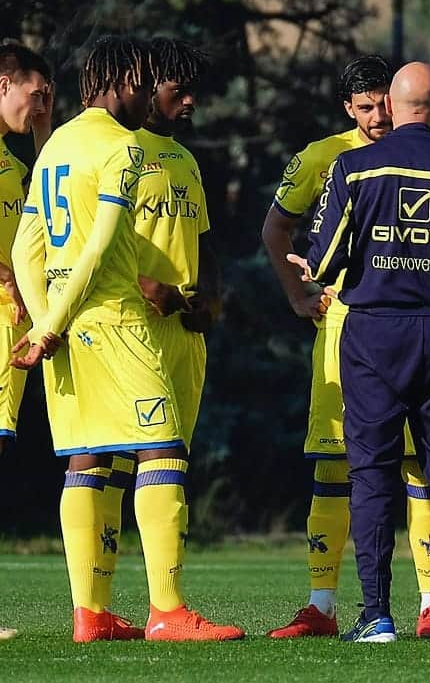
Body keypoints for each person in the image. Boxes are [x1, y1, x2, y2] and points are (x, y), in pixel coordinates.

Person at [10, 35, 242, 643]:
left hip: (74, 332)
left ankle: (91, 614)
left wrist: (43, 322)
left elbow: (24, 251)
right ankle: (167, 611)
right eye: (142, 83)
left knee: (87, 460)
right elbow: (97, 249)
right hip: (118, 323)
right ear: (115, 83)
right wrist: (50, 324)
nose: (147, 96)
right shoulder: (122, 149)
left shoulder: (56, 143)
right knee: (161, 451)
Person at [288, 61, 430, 643]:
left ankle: (377, 614)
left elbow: (327, 256)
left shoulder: (353, 169)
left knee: (371, 472)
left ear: (390, 105)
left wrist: (314, 263)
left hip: (371, 336)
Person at [262, 56, 430, 638]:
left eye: (383, 105)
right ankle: (322, 605)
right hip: (342, 331)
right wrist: (298, 295)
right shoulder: (323, 158)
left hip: (407, 328)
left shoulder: (416, 155)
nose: (376, 117)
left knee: (418, 465)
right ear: (348, 108)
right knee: (334, 466)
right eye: (364, 108)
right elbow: (276, 228)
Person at [94, 37, 221, 610]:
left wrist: (211, 299)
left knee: (168, 465)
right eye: (178, 89)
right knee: (121, 462)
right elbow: (100, 237)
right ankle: (102, 602)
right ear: (148, 89)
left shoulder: (186, 160)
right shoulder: (123, 150)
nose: (189, 100)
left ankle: (158, 600)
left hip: (184, 335)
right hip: (132, 328)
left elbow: (204, 240)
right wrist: (146, 287)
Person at [0, 40, 54, 641]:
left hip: (11, 329)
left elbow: (51, 194)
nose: (41, 106)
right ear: (3, 84)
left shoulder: (15, 165)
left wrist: (42, 133)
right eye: (35, 94)